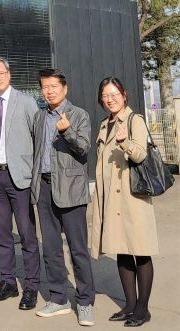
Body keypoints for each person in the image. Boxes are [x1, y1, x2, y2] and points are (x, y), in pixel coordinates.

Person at [91, 77, 158, 327]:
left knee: (140, 251)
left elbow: (140, 153)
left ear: (124, 94)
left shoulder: (134, 120)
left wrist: (125, 142)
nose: (110, 99)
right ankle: (129, 304)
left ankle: (143, 308)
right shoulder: (103, 124)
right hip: (111, 199)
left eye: (114, 94)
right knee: (121, 250)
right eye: (105, 95)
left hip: (133, 198)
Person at [30, 69, 95, 326]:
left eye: (54, 86)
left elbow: (84, 148)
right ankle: (59, 299)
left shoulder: (79, 114)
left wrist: (67, 131)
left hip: (71, 189)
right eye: (45, 86)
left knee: (78, 249)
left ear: (64, 88)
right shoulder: (39, 117)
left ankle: (86, 301)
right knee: (52, 249)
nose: (49, 91)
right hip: (44, 187)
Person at [0, 56, 40, 310]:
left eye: (1, 73)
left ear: (9, 74)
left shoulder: (26, 102)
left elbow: (38, 136)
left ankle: (32, 286)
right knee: (2, 235)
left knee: (26, 234)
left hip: (21, 177)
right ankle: (8, 282)